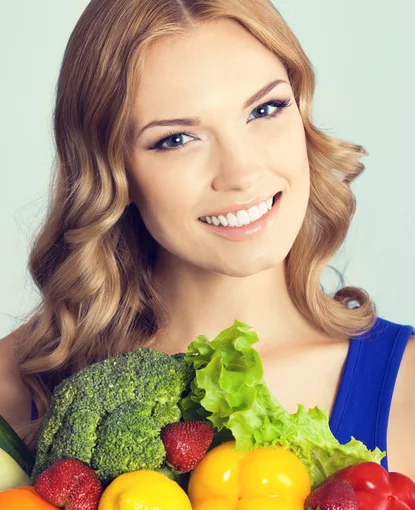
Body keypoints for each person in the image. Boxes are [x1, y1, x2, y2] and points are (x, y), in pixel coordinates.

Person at [0, 0, 413, 480]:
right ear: (114, 173)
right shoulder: (13, 384)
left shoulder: (405, 386)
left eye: (265, 109)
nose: (240, 174)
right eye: (176, 139)